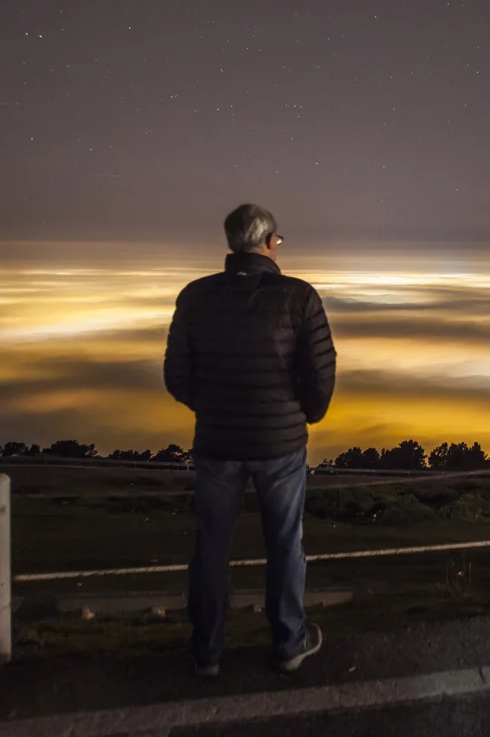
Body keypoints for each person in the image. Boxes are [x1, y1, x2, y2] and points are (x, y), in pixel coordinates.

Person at [164, 203, 336, 676]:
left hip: (217, 443)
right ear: (269, 242)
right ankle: (288, 642)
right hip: (279, 445)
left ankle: (207, 650)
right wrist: (304, 415)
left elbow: (176, 375)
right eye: (278, 240)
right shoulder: (299, 297)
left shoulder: (195, 297)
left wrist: (212, 408)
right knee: (284, 543)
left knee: (211, 545)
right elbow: (319, 375)